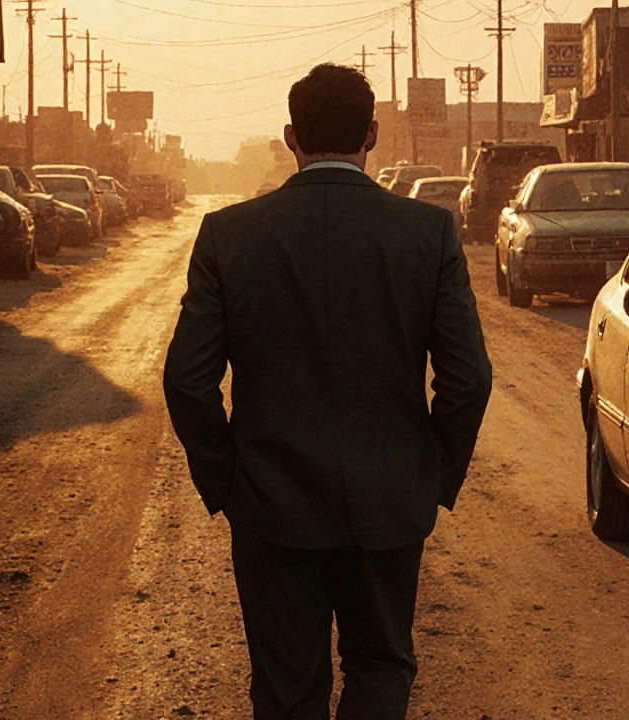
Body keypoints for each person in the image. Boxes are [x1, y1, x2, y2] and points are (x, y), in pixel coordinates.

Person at [162, 63, 492, 719]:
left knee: (286, 691)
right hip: (389, 503)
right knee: (379, 668)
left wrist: (227, 480)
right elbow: (469, 379)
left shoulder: (230, 235)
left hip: (271, 507)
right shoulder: (426, 233)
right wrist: (430, 474)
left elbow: (186, 380)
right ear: (372, 134)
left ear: (291, 136)